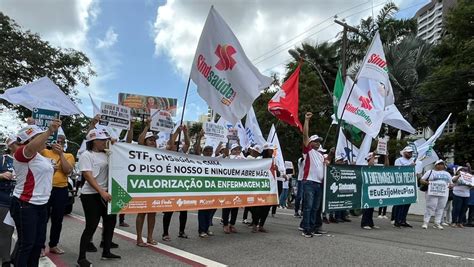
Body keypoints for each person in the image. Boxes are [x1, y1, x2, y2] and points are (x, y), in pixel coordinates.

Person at [10, 121, 60, 266]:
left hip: (41, 205)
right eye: (40, 136)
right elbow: (30, 149)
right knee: (26, 244)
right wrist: (49, 131)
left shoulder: (40, 157)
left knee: (38, 244)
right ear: (30, 140)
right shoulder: (21, 152)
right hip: (25, 204)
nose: (45, 139)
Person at [77, 128, 120, 267]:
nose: (104, 142)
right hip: (91, 195)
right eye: (102, 140)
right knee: (91, 225)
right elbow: (88, 176)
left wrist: (114, 144)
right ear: (94, 141)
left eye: (105, 140)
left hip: (106, 193)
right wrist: (101, 191)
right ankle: (81, 259)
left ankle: (106, 251)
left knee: (110, 222)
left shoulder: (107, 154)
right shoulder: (86, 155)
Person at [40, 134, 75, 255]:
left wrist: (61, 154)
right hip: (45, 189)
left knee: (57, 219)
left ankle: (54, 244)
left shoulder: (68, 155)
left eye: (61, 142)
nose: (58, 143)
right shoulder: (44, 152)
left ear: (64, 143)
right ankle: (40, 246)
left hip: (61, 189)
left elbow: (67, 170)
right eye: (56, 141)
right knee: (42, 218)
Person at [300, 112, 332, 238]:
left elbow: (326, 164)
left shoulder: (320, 155)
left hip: (318, 184)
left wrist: (330, 155)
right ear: (310, 142)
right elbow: (305, 135)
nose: (318, 143)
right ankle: (306, 229)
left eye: (319, 141)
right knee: (308, 207)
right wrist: (306, 120)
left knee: (315, 208)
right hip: (309, 182)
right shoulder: (308, 151)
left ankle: (313, 227)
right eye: (316, 141)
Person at [162, 125, 190, 241]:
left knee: (184, 210)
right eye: (174, 143)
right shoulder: (166, 153)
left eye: (177, 143)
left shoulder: (181, 153)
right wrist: (177, 132)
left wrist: (185, 132)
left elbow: (187, 144)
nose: (175, 145)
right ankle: (165, 233)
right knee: (169, 211)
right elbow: (169, 144)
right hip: (170, 185)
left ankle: (182, 231)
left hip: (182, 185)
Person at [134, 119, 158, 246]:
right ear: (145, 142)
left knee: (152, 213)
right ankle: (139, 238)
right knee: (142, 212)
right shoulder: (141, 151)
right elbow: (139, 140)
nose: (153, 142)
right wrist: (147, 127)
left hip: (154, 186)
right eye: (151, 139)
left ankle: (149, 237)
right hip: (143, 185)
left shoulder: (159, 153)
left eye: (154, 140)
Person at [193, 130, 216, 238]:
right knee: (202, 210)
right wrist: (199, 138)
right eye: (206, 151)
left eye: (210, 151)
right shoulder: (200, 159)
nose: (208, 153)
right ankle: (201, 230)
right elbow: (196, 150)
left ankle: (207, 228)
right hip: (202, 188)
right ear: (203, 152)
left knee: (210, 210)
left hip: (211, 188)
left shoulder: (214, 161)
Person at [0, 136, 18, 266]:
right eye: (15, 143)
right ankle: (6, 261)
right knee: (6, 231)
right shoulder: (3, 159)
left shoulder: (28, 160)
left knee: (24, 234)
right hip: (4, 200)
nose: (18, 146)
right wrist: (1, 175)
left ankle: (13, 257)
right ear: (10, 145)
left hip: (21, 201)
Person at [419, 160, 451, 230]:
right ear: (435, 165)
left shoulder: (447, 174)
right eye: (439, 164)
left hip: (443, 193)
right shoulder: (430, 172)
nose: (440, 166)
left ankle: (437, 223)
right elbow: (421, 180)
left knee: (441, 207)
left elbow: (450, 183)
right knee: (430, 207)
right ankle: (425, 222)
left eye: (442, 164)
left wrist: (451, 186)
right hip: (432, 192)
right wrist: (427, 183)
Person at [250, 143, 274, 233]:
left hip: (269, 188)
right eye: (270, 150)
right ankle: (255, 224)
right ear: (266, 150)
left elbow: (276, 173)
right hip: (258, 188)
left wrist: (276, 170)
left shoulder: (272, 160)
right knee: (256, 207)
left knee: (266, 208)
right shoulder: (258, 159)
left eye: (272, 150)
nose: (272, 152)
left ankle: (261, 225)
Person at [360, 152, 387, 230]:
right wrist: (373, 155)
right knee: (367, 207)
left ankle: (370, 223)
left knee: (371, 207)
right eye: (375, 158)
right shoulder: (365, 165)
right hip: (366, 189)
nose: (376, 160)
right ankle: (364, 223)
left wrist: (386, 156)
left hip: (374, 189)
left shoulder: (377, 166)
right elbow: (370, 165)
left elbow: (386, 166)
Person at [222, 143, 244, 234]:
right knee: (227, 206)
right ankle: (225, 224)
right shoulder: (228, 158)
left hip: (238, 185)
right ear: (231, 150)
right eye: (235, 149)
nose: (237, 151)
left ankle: (232, 224)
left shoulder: (243, 159)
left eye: (239, 149)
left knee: (235, 206)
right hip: (228, 185)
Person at [393, 146, 415, 228]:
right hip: (401, 184)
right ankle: (397, 220)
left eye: (411, 152)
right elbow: (397, 170)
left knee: (407, 203)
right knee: (400, 203)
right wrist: (409, 166)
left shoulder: (412, 160)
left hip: (409, 184)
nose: (410, 153)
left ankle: (403, 220)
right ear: (404, 152)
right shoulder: (399, 160)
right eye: (409, 152)